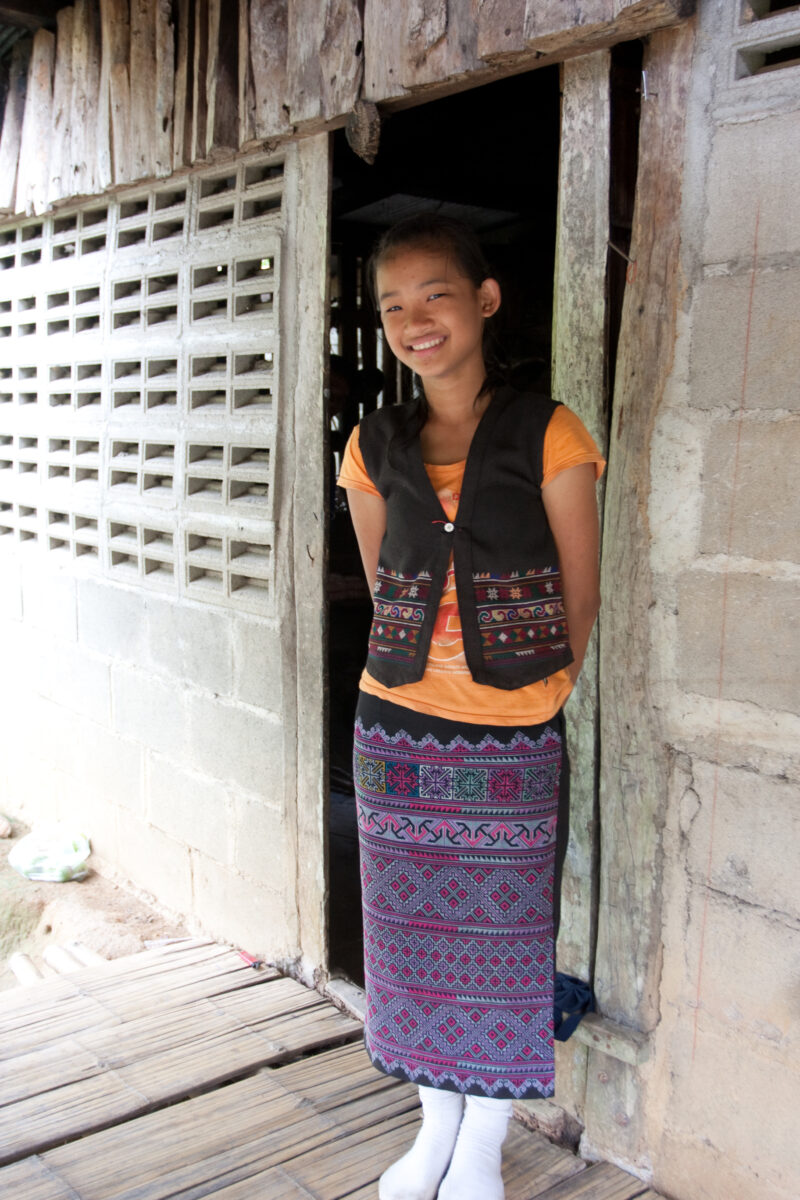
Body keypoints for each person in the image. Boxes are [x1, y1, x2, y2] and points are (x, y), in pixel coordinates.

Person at [337, 214, 604, 1200]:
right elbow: (382, 576)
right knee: (407, 940)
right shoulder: (371, 445)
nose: (414, 320)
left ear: (483, 301)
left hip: (509, 737)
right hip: (395, 729)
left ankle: (484, 1142)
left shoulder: (548, 430)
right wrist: (420, 667)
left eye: (434, 296)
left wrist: (538, 692)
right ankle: (433, 1128)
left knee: (501, 941)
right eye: (392, 306)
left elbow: (580, 591)